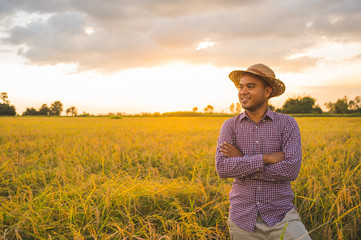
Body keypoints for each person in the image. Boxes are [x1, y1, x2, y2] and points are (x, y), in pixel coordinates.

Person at [215, 63, 311, 240]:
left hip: (281, 215)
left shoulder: (287, 124)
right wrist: (266, 158)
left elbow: (291, 170)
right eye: (241, 87)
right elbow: (222, 168)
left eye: (250, 86)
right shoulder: (230, 126)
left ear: (267, 92)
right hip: (242, 219)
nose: (243, 91)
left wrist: (242, 161)